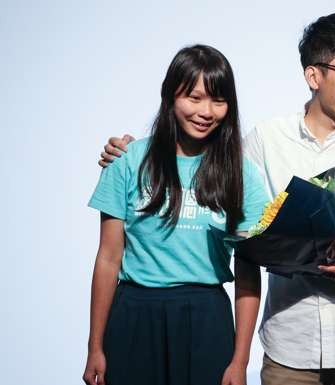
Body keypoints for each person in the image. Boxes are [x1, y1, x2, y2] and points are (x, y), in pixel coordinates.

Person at [99, 13, 335, 385]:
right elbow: (217, 181)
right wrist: (137, 154)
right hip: (288, 347)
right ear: (314, 76)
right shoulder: (266, 140)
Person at [82, 44, 269, 385]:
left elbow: (248, 273)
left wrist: (240, 361)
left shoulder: (240, 174)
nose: (206, 111)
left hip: (206, 316)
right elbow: (108, 258)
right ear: (170, 96)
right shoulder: (127, 160)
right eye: (194, 98)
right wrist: (95, 346)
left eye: (218, 100)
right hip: (134, 313)